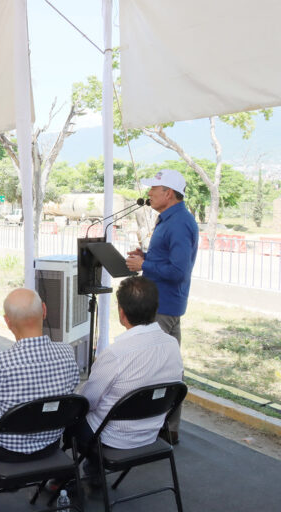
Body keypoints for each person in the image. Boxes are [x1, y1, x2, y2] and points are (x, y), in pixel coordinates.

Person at [0, 288, 79, 494]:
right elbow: (72, 390)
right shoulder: (67, 353)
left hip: (4, 451)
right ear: (44, 310)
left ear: (7, 322)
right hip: (50, 444)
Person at [75, 276, 183, 475]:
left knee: (70, 420)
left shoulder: (115, 354)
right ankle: (93, 473)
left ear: (122, 313)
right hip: (150, 433)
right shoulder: (172, 345)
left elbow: (87, 402)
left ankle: (70, 480)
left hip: (111, 438)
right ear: (155, 309)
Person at [125, 168, 198, 443]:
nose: (149, 195)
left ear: (168, 193)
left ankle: (155, 427)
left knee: (157, 368)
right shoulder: (170, 219)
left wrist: (144, 265)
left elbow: (179, 271)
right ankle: (169, 427)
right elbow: (170, 259)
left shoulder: (179, 223)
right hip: (164, 301)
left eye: (153, 191)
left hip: (164, 305)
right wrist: (147, 256)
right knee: (169, 367)